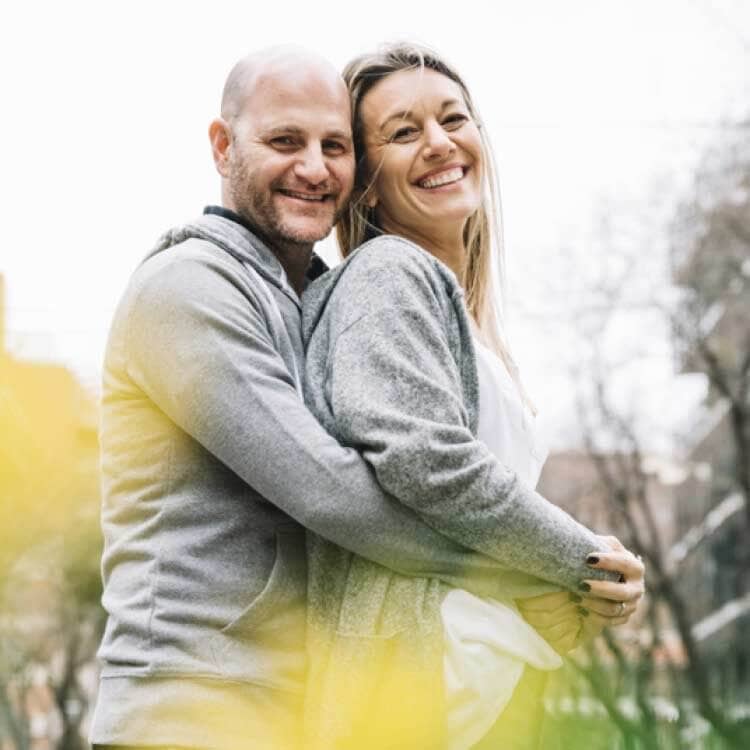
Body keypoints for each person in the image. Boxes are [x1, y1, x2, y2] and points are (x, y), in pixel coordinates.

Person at [89, 46, 619, 750]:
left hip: (294, 713)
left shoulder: (313, 297)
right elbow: (334, 494)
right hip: (192, 709)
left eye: (333, 145)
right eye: (284, 141)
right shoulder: (187, 288)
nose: (313, 167)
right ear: (223, 145)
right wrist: (547, 571)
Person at [300, 43, 646, 750]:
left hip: (472, 708)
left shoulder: (470, 319)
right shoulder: (387, 273)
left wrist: (565, 596)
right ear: (364, 184)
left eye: (453, 118)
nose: (438, 143)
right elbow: (425, 463)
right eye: (402, 132)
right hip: (407, 700)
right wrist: (587, 566)